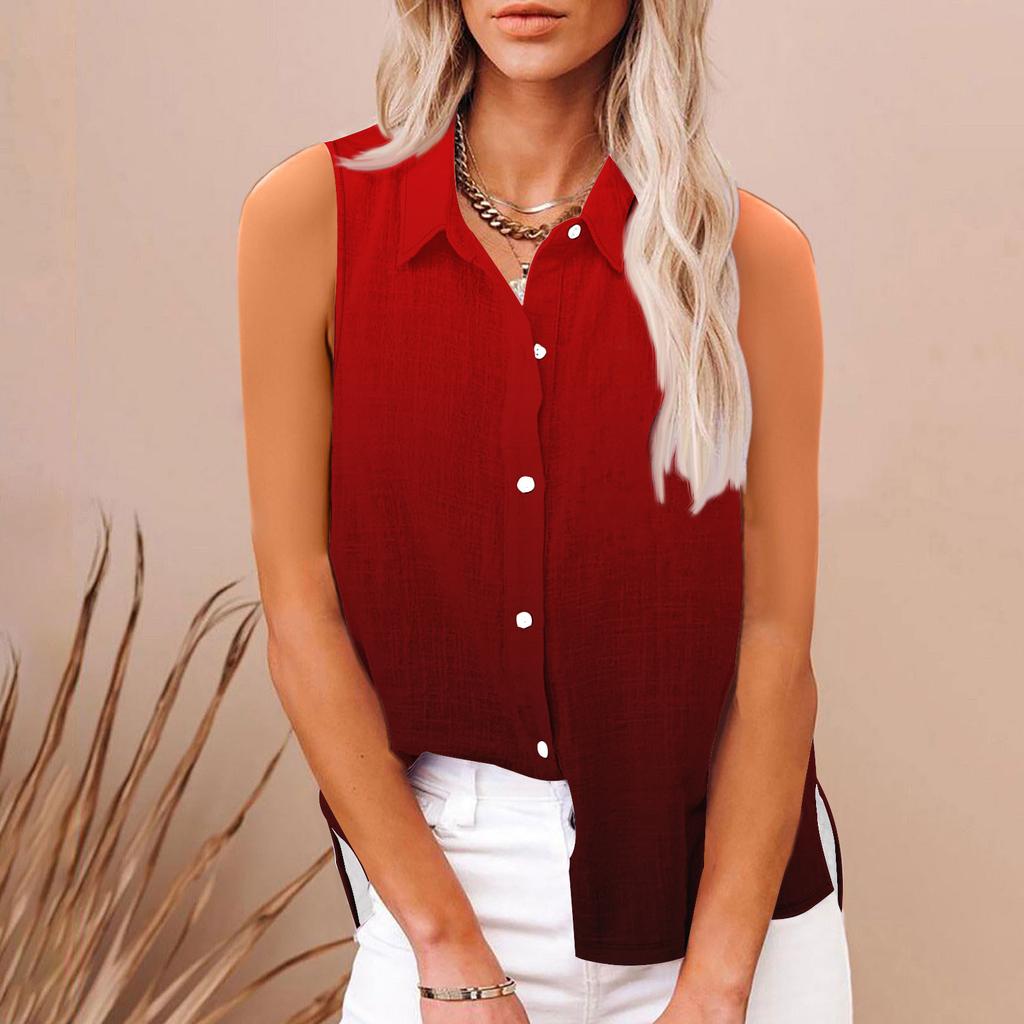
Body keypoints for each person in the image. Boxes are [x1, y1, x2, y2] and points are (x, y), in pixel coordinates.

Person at [236, 1, 853, 1021]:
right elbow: (300, 608)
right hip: (444, 877)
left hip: (730, 905)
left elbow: (774, 642)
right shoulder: (312, 216)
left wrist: (717, 986)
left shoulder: (754, 260)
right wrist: (445, 946)